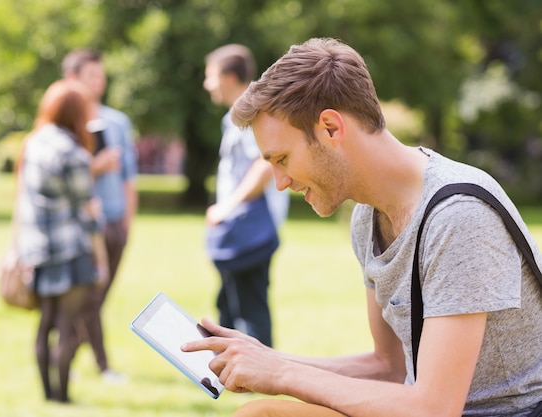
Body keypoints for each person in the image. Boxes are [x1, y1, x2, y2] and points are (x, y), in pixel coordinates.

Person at [183, 38, 542, 417]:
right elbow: (389, 368)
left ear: (331, 128)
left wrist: (282, 373)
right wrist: (263, 360)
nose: (279, 182)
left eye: (283, 159)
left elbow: (435, 409)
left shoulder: (458, 217)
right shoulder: (367, 217)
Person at [16, 79, 108, 403]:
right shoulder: (73, 151)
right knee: (68, 327)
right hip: (70, 250)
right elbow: (87, 208)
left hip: (39, 250)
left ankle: (47, 395)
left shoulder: (33, 143)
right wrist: (101, 257)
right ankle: (63, 398)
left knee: (44, 325)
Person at [203, 44, 290, 348]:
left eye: (210, 76)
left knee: (250, 305)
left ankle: (259, 372)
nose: (206, 84)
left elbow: (264, 165)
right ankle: (230, 369)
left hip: (252, 228)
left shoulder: (251, 115)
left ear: (228, 77)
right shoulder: (236, 117)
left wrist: (226, 207)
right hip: (240, 227)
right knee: (229, 301)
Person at [62, 48, 139, 381]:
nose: (98, 83)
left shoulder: (118, 122)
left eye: (101, 76)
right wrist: (97, 166)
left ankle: (65, 354)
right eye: (91, 76)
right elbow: (63, 181)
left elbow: (129, 178)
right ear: (72, 80)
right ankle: (97, 364)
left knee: (97, 299)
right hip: (81, 226)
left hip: (114, 223)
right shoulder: (64, 126)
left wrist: (128, 223)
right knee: (87, 298)